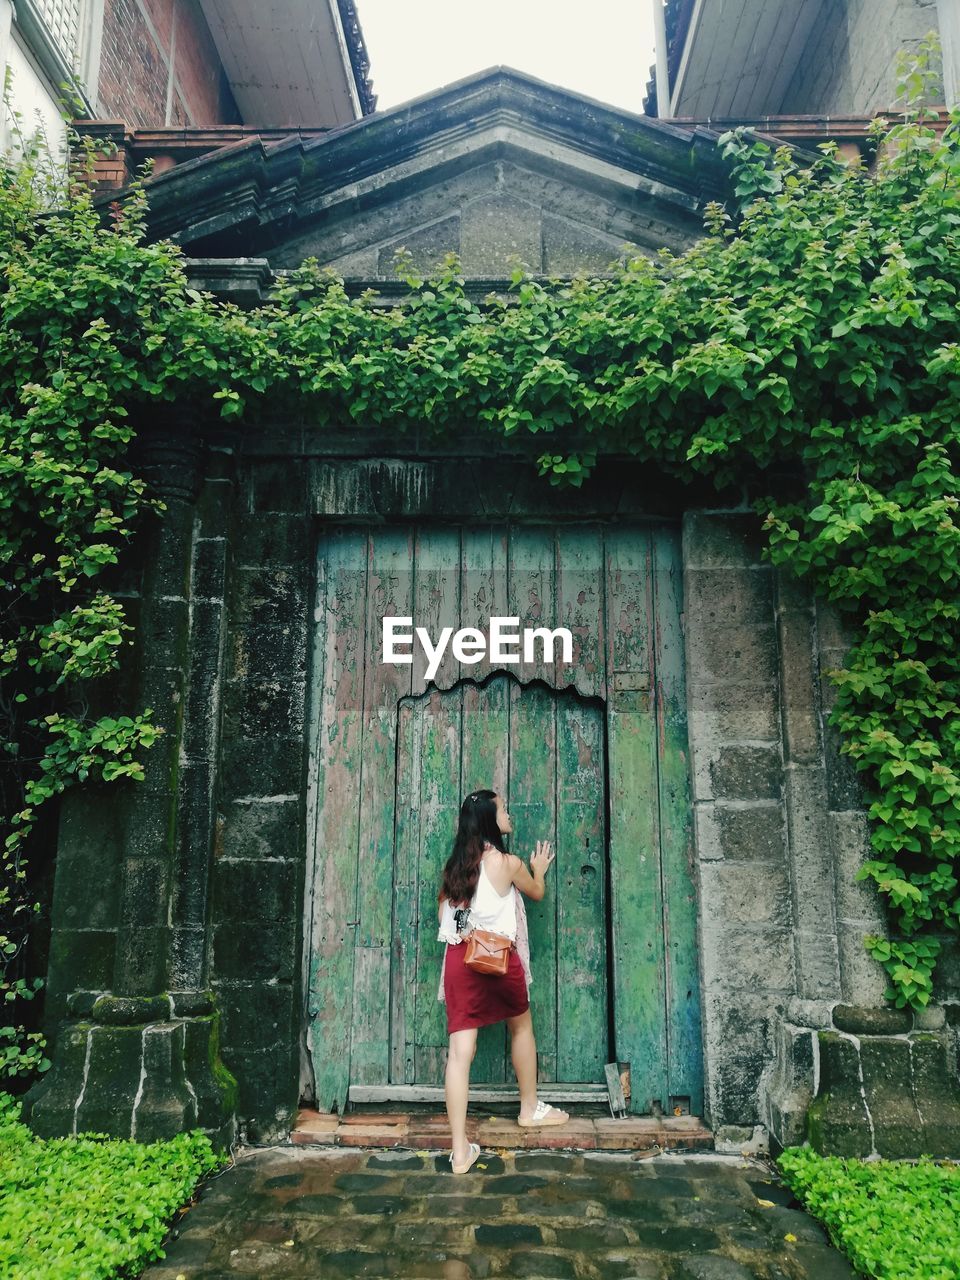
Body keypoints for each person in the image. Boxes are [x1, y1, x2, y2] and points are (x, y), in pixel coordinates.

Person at [437, 788, 569, 1174]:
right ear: (491, 821)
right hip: (497, 958)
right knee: (521, 1026)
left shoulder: (455, 867)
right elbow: (537, 892)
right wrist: (540, 868)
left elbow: (446, 917)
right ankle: (529, 1108)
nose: (509, 813)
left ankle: (460, 1151)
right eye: (504, 809)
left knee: (460, 1053)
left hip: (461, 960)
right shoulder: (508, 863)